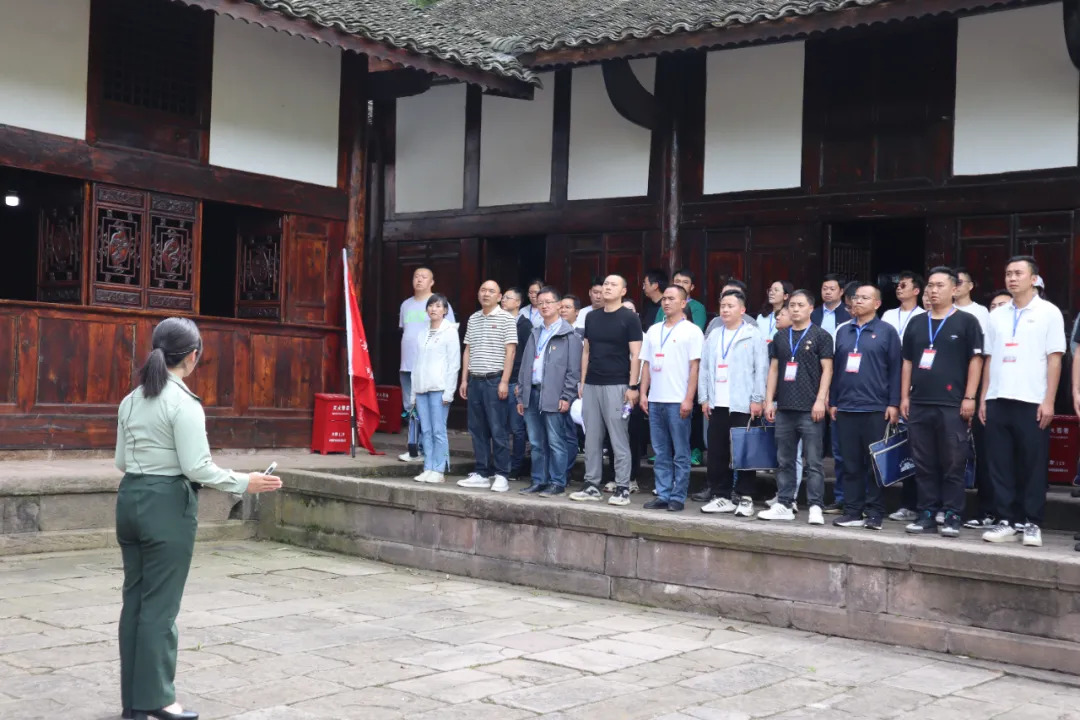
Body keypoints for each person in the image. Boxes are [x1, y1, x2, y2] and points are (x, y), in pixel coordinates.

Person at [115, 318, 282, 720]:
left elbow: (121, 460)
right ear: (192, 356)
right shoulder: (183, 403)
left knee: (135, 600)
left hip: (130, 498)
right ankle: (157, 699)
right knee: (161, 606)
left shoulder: (130, 400)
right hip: (166, 506)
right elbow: (197, 467)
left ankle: (134, 702)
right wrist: (245, 482)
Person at [980, 256, 1066, 547]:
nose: (1012, 278)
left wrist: (1049, 400)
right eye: (1008, 274)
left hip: (1032, 400)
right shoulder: (997, 315)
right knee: (999, 463)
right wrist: (984, 398)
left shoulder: (1049, 312)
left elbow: (1055, 359)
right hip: (998, 398)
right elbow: (989, 359)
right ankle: (1005, 520)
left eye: (1018, 273)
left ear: (1034, 278)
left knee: (1032, 464)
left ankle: (1031, 522)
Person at [899, 267, 984, 537]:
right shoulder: (916, 322)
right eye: (930, 286)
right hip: (919, 402)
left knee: (953, 462)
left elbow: (976, 361)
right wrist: (904, 396)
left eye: (940, 285)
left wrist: (970, 396)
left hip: (952, 404)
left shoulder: (967, 321)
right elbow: (907, 362)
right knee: (923, 461)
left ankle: (952, 514)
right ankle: (926, 512)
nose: (933, 291)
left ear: (954, 289)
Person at [829, 285, 902, 530]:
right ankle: (852, 511)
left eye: (865, 298)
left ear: (877, 304)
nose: (858, 301)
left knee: (875, 465)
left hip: (876, 408)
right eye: (856, 297)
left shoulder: (887, 331)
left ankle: (874, 512)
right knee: (850, 463)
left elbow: (896, 369)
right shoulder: (843, 330)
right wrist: (833, 401)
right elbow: (837, 369)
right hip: (846, 407)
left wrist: (893, 403)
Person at [570, 274, 643, 506]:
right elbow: (586, 351)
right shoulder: (591, 317)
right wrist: (583, 382)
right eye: (606, 284)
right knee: (591, 437)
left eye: (613, 284)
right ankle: (591, 484)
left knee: (619, 437)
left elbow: (636, 355)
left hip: (618, 384)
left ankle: (622, 487)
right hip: (592, 383)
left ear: (623, 291)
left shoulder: (630, 318)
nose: (608, 287)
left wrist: (632, 386)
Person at [761, 291, 833, 524]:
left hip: (810, 408)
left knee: (813, 462)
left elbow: (828, 370)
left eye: (800, 305)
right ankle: (784, 502)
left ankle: (815, 506)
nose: (795, 309)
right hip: (784, 407)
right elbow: (773, 370)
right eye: (792, 305)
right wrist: (769, 400)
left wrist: (821, 400)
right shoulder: (780, 336)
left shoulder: (821, 336)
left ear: (811, 308)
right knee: (784, 460)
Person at [697, 289, 768, 516]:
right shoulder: (714, 335)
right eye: (722, 306)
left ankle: (745, 497)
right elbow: (704, 369)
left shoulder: (752, 334)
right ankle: (722, 495)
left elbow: (761, 369)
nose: (725, 310)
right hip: (717, 402)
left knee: (744, 450)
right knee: (717, 452)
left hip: (743, 403)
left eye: (730, 306)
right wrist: (704, 398)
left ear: (742, 310)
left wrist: (757, 399)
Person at [638, 285, 704, 511]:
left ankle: (678, 496)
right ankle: (663, 493)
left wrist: (689, 399)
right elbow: (646, 363)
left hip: (678, 400)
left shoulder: (692, 331)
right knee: (660, 451)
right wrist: (644, 393)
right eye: (664, 298)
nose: (666, 302)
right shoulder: (654, 330)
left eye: (672, 299)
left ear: (683, 303)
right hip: (656, 399)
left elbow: (694, 368)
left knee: (681, 452)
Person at [517, 287, 582, 497]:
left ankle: (557, 482)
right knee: (536, 442)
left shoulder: (569, 335)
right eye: (540, 303)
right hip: (532, 392)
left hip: (554, 395)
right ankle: (539, 480)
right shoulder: (535, 332)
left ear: (558, 305)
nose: (544, 306)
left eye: (548, 302)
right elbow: (525, 365)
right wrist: (521, 394)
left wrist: (567, 396)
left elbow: (574, 371)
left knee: (556, 441)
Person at [456, 280, 518, 493]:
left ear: (499, 297)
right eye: (483, 290)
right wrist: (464, 379)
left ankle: (501, 474)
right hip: (475, 380)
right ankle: (482, 472)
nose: (486, 294)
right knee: (477, 429)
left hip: (494, 380)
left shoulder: (506, 318)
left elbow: (510, 351)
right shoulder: (473, 318)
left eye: (491, 291)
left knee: (498, 429)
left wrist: (504, 381)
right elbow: (468, 350)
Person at [399, 267, 455, 463]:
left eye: (424, 277)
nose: (419, 280)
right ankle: (414, 448)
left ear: (432, 282)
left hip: (431, 370)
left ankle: (430, 455)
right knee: (411, 408)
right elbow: (406, 331)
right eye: (416, 276)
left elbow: (449, 335)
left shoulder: (440, 305)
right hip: (408, 365)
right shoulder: (406, 305)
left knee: (431, 414)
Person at [409, 294, 461, 484]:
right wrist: (413, 393)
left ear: (445, 310)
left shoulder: (450, 331)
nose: (434, 309)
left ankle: (440, 468)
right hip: (421, 387)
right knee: (426, 430)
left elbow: (454, 364)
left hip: (439, 388)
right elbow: (416, 364)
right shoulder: (422, 332)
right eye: (431, 306)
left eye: (438, 306)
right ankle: (428, 467)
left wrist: (449, 391)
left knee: (439, 430)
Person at [811, 274, 850, 516]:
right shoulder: (813, 314)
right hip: (810, 374)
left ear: (841, 292)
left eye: (832, 288)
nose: (827, 292)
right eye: (824, 288)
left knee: (843, 447)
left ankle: (848, 499)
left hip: (839, 376)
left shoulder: (848, 317)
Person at [764, 304, 805, 509]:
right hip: (778, 400)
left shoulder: (806, 338)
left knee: (794, 453)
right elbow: (772, 371)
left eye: (783, 314)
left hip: (798, 402)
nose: (778, 317)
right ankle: (782, 492)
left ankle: (792, 496)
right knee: (781, 452)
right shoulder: (778, 339)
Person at [500, 287, 531, 479]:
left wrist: (521, 382)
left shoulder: (525, 325)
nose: (503, 300)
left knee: (517, 428)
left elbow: (526, 357)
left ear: (518, 303)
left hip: (515, 381)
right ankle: (501, 465)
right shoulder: (499, 321)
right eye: (503, 297)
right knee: (500, 427)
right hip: (499, 380)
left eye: (508, 298)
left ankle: (516, 467)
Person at [883, 272, 926, 345]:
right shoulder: (888, 314)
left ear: (916, 291)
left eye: (903, 285)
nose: (898, 288)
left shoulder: (924, 315)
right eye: (898, 285)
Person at [954, 267, 990, 336]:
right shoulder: (945, 310)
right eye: (952, 283)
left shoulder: (981, 311)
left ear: (970, 286)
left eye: (959, 282)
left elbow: (984, 337)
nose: (955, 286)